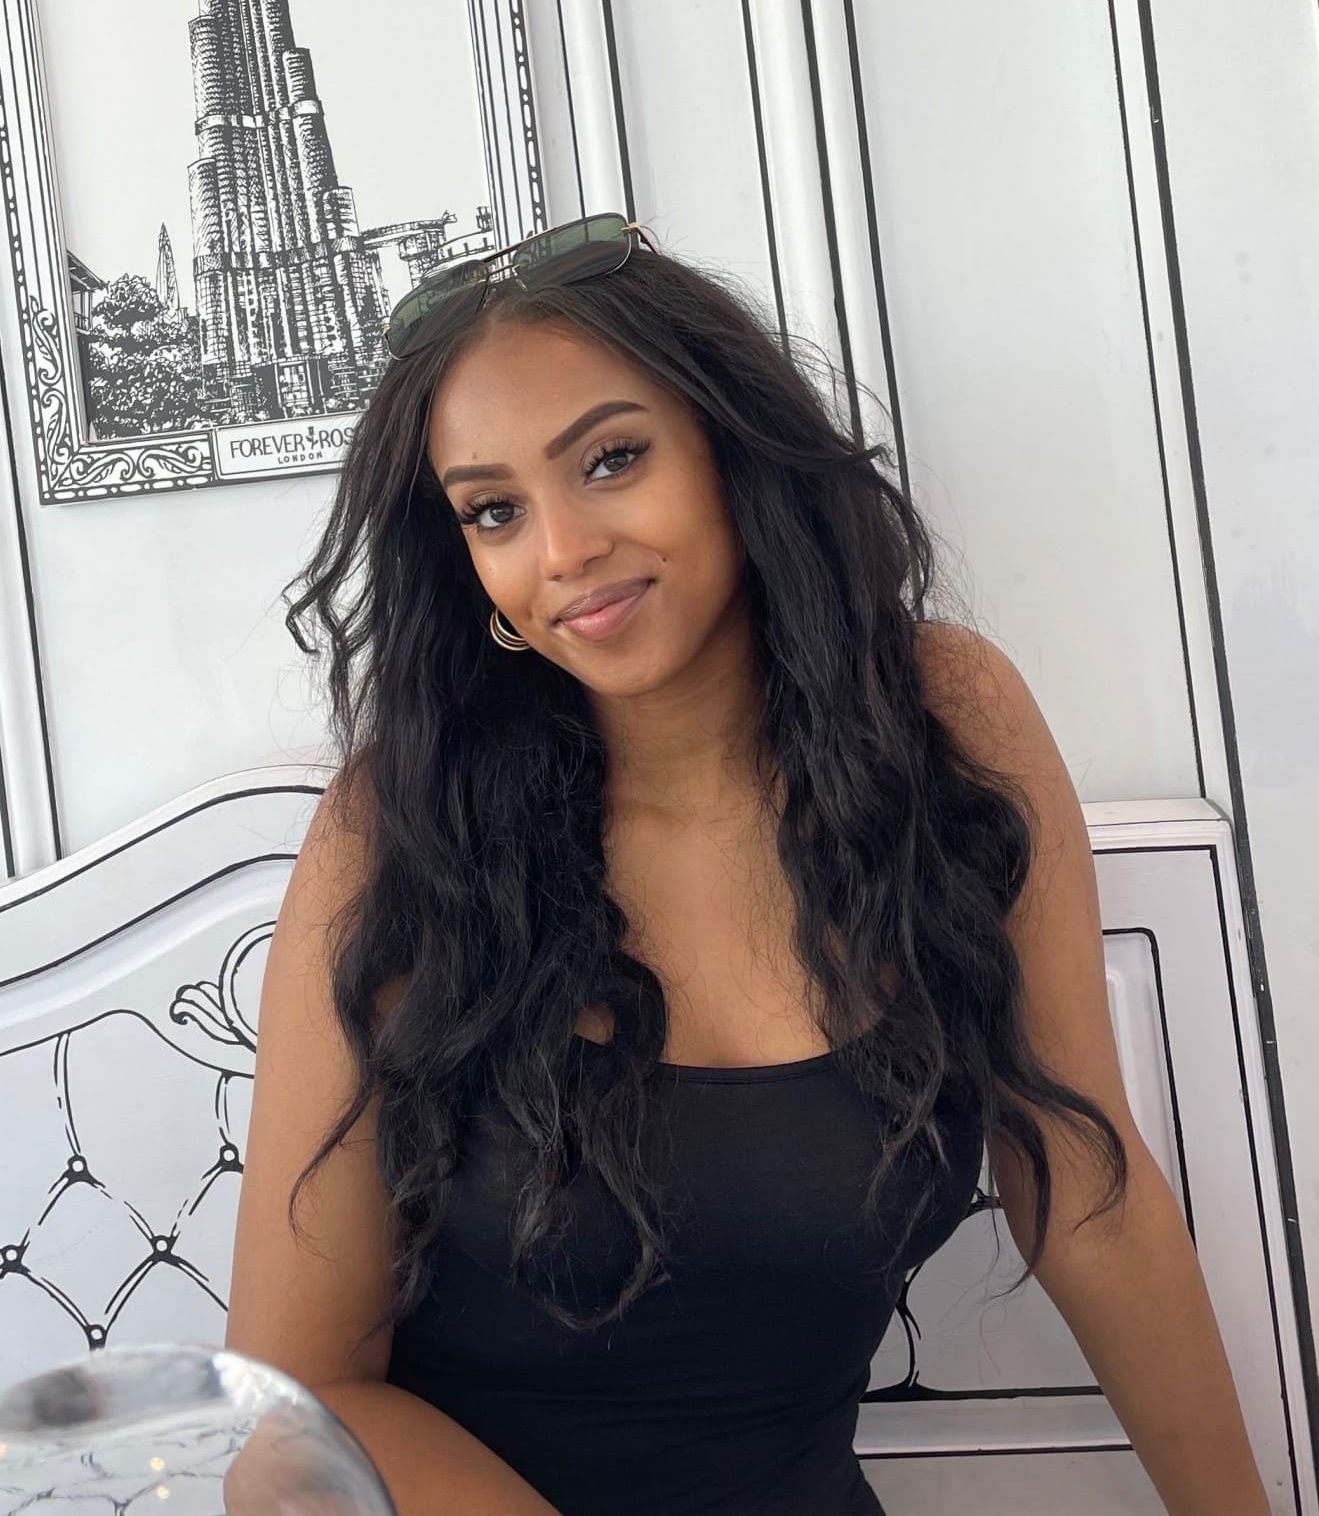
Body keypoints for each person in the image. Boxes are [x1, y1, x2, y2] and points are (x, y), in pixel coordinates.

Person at [224, 215, 1269, 1516]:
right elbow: (291, 1413)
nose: (562, 551)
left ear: (732, 445)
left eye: (611, 459)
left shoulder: (941, 728)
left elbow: (1084, 1189)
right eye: (495, 510)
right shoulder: (404, 829)